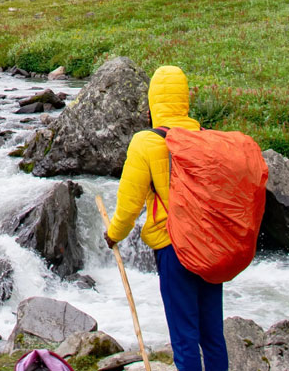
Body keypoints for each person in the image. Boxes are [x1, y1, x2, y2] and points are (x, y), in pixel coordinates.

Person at [102, 65, 227, 371]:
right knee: (212, 335)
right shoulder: (207, 138)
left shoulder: (146, 142)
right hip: (210, 246)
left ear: (153, 102)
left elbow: (129, 205)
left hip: (174, 247)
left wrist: (114, 234)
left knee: (184, 336)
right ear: (185, 99)